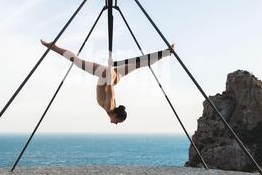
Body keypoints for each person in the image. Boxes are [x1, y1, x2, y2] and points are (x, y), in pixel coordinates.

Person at [41, 39, 175, 124]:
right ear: (116, 115)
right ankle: (54, 47)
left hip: (115, 76)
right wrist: (110, 67)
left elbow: (111, 87)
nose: (115, 124)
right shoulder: (110, 107)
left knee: (141, 63)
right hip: (107, 75)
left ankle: (167, 52)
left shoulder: (110, 109)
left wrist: (112, 70)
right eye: (117, 121)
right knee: (77, 61)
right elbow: (110, 88)